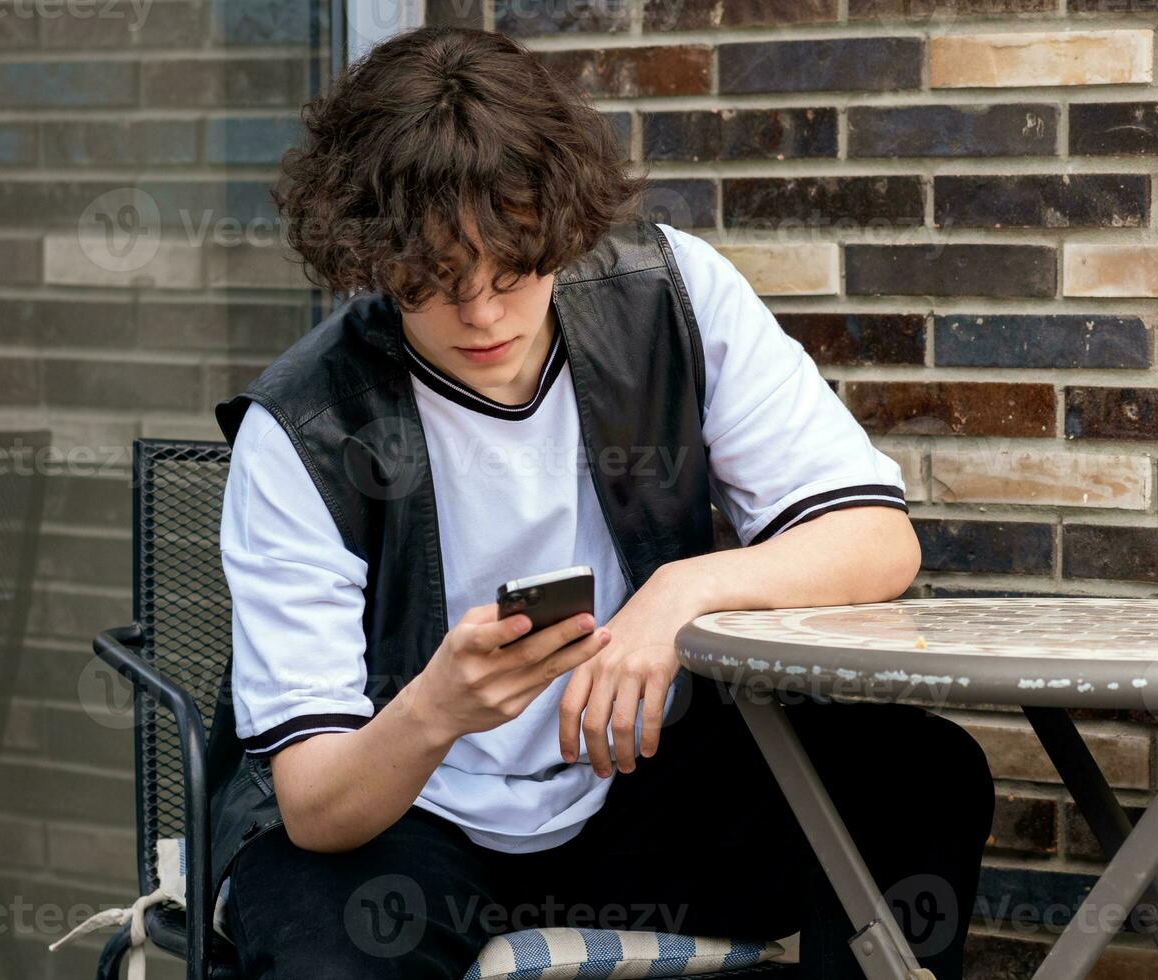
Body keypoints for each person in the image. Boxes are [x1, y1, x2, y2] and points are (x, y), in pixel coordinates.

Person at [210, 25, 995, 980]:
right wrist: (436, 711)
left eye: (513, 267)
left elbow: (875, 541)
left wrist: (676, 597)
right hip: (403, 822)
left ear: (561, 222)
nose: (486, 314)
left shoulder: (670, 294)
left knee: (918, 779)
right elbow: (316, 805)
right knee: (324, 944)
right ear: (372, 255)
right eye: (438, 283)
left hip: (639, 786)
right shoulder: (302, 428)